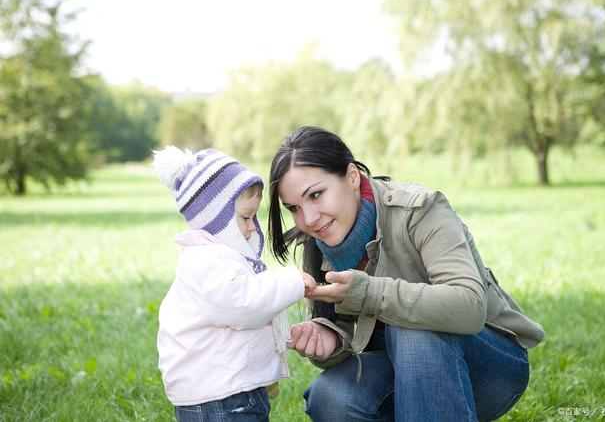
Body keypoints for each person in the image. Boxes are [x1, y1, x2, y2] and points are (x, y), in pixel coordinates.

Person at [267, 126, 545, 422]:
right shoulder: (319, 239)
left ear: (351, 177)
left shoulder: (420, 209)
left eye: (317, 195)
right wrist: (331, 337)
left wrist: (368, 292)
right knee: (331, 398)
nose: (308, 218)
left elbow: (469, 305)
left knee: (411, 327)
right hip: (405, 368)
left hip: (492, 367)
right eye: (294, 208)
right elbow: (356, 329)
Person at [152, 146, 316, 422]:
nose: (253, 227)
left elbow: (242, 322)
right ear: (215, 217)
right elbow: (244, 304)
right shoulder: (209, 260)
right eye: (244, 217)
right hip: (220, 399)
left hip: (228, 390)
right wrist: (291, 281)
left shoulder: (218, 258)